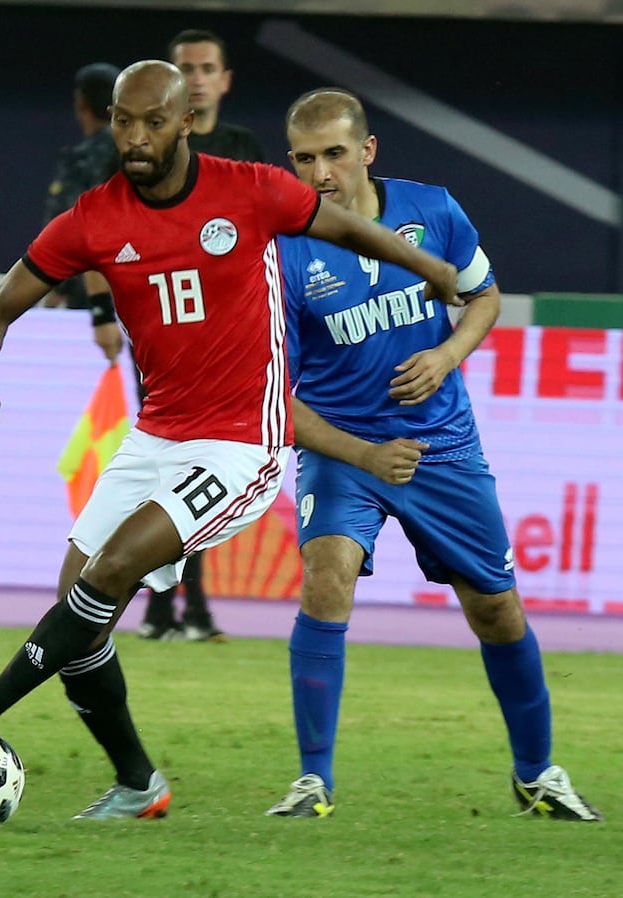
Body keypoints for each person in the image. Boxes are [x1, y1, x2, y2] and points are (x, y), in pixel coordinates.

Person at [0, 61, 457, 821]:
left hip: (239, 445)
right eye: (123, 121)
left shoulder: (250, 190)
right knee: (77, 603)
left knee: (111, 572)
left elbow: (347, 226)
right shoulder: (94, 217)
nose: (134, 136)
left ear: (186, 122)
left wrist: (429, 266)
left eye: (152, 122)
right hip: (155, 435)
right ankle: (138, 783)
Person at [264, 88, 602, 822]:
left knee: (496, 610)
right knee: (326, 580)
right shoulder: (282, 251)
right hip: (344, 450)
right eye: (303, 158)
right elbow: (273, 398)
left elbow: (484, 297)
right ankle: (313, 781)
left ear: (368, 151)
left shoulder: (434, 210)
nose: (319, 173)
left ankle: (537, 774)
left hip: (442, 446)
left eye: (333, 154)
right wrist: (362, 452)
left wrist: (447, 354)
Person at [116, 30, 265, 642]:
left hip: (227, 346)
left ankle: (180, 608)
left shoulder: (242, 154)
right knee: (169, 473)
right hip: (159, 341)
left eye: (207, 68)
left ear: (225, 80)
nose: (197, 78)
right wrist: (106, 313)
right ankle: (170, 609)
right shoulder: (140, 155)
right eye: (186, 68)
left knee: (198, 479)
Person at [41, 61, 120, 311]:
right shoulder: (148, 157)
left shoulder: (80, 161)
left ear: (81, 104)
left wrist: (56, 285)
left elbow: (67, 226)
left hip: (88, 293)